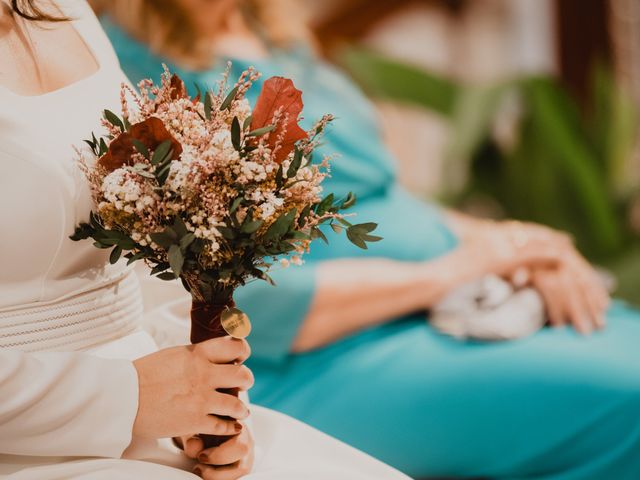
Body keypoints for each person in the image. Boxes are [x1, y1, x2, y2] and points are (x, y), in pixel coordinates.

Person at [99, 1, 640, 478]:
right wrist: (455, 271)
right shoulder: (134, 69)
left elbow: (385, 197)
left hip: (443, 308)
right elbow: (245, 297)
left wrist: (523, 244)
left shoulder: (272, 33)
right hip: (322, 358)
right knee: (627, 396)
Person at [0, 1, 412, 479]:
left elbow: (138, 227)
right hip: (31, 441)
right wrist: (127, 398)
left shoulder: (64, 11)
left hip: (160, 410)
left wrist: (203, 393)